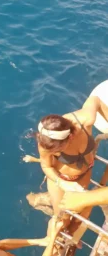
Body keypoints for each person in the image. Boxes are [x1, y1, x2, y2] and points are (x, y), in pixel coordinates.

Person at [35, 96, 108, 232]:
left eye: (58, 151)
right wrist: (62, 183)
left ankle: (71, 234)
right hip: (61, 179)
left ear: (70, 137)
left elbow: (96, 99)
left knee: (80, 212)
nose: (55, 154)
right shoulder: (45, 143)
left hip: (85, 173)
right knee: (62, 217)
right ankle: (39, 201)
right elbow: (46, 166)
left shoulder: (85, 120)